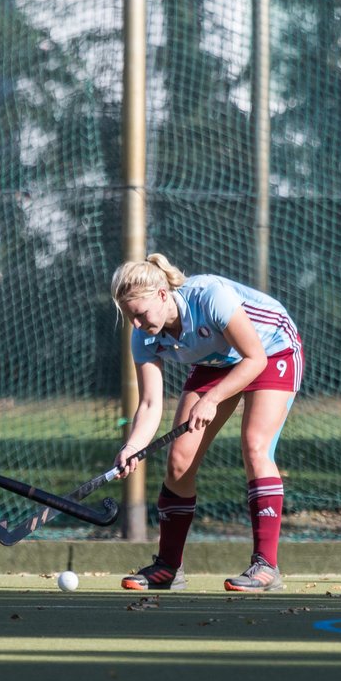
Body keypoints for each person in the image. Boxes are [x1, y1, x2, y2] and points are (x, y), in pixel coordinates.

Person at [110, 254, 303, 593]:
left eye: (140, 314)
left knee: (255, 445)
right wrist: (132, 447)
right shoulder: (142, 336)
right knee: (179, 461)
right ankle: (168, 566)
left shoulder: (209, 296)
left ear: (161, 294)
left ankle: (266, 566)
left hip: (272, 350)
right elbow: (151, 403)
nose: (137, 325)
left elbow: (254, 357)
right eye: (130, 317)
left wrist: (211, 399)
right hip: (217, 361)